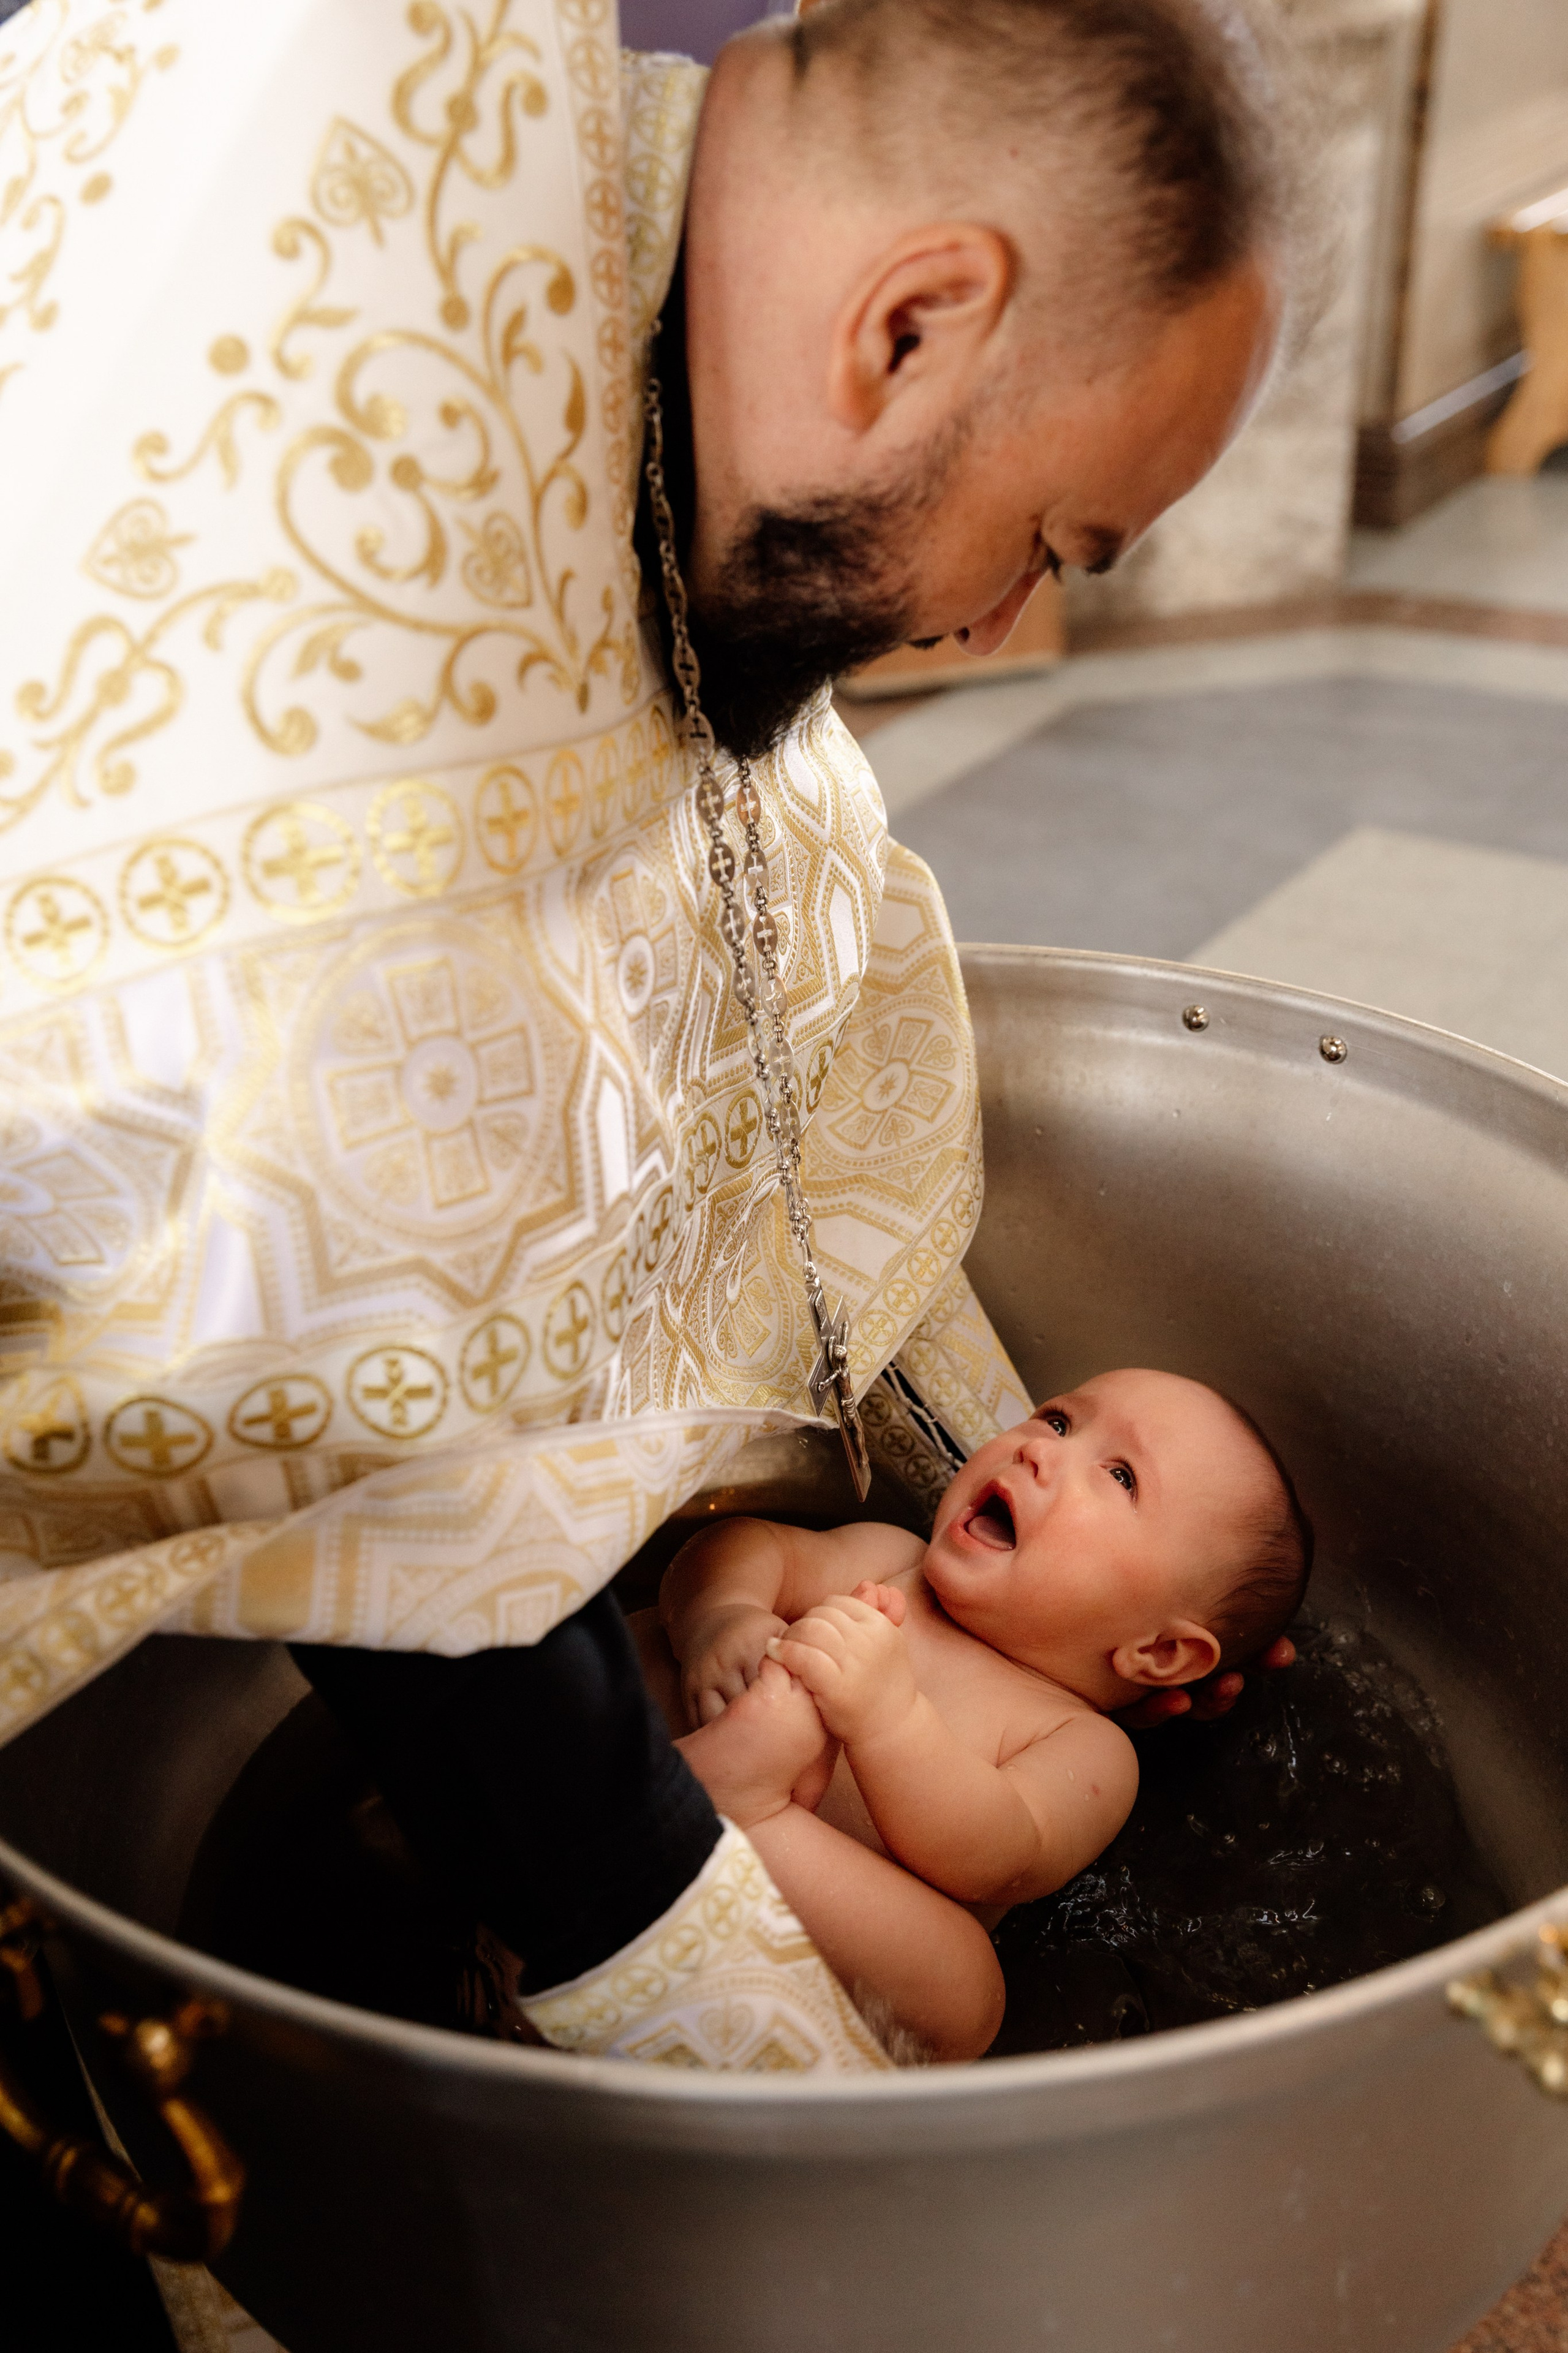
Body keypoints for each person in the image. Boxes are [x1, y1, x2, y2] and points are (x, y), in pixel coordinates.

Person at [0, 0, 1302, 2072]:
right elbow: (336, 1334)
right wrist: (671, 1885)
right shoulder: (313, 547)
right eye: (1050, 543)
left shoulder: (598, 281)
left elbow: (771, 924)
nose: (989, 627)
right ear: (907, 327)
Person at [613, 1369, 1313, 2063]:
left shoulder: (1085, 1745)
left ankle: (744, 1814)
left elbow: (996, 1857)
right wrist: (721, 1616)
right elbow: (746, 1546)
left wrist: (889, 1720)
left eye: (1121, 1476)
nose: (1038, 1448)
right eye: (1060, 1420)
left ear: (1159, 1651)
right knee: (653, 1633)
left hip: (727, 1927)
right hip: (590, 1762)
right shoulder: (894, 1558)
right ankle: (669, 1776)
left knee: (965, 1996)